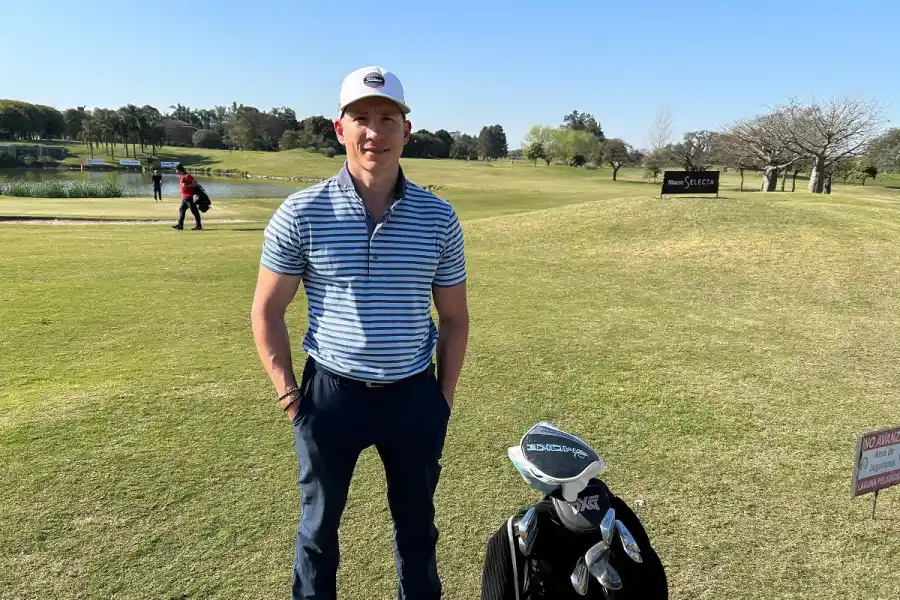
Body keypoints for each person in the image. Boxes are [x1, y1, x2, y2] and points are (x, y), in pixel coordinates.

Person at [250, 65, 469, 600]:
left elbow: (455, 318)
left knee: (418, 530)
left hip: (413, 396)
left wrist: (442, 398)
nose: (376, 131)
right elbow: (266, 312)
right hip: (330, 398)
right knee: (318, 532)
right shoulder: (300, 212)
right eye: (362, 118)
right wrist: (290, 399)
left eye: (388, 118)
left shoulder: (439, 218)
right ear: (339, 128)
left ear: (406, 130)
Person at [172, 163, 202, 230]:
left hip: (190, 198)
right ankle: (180, 225)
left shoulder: (187, 176)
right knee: (181, 210)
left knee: (194, 212)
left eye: (176, 170)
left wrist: (187, 186)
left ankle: (199, 225)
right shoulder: (182, 176)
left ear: (179, 170)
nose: (176, 171)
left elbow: (196, 183)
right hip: (184, 198)